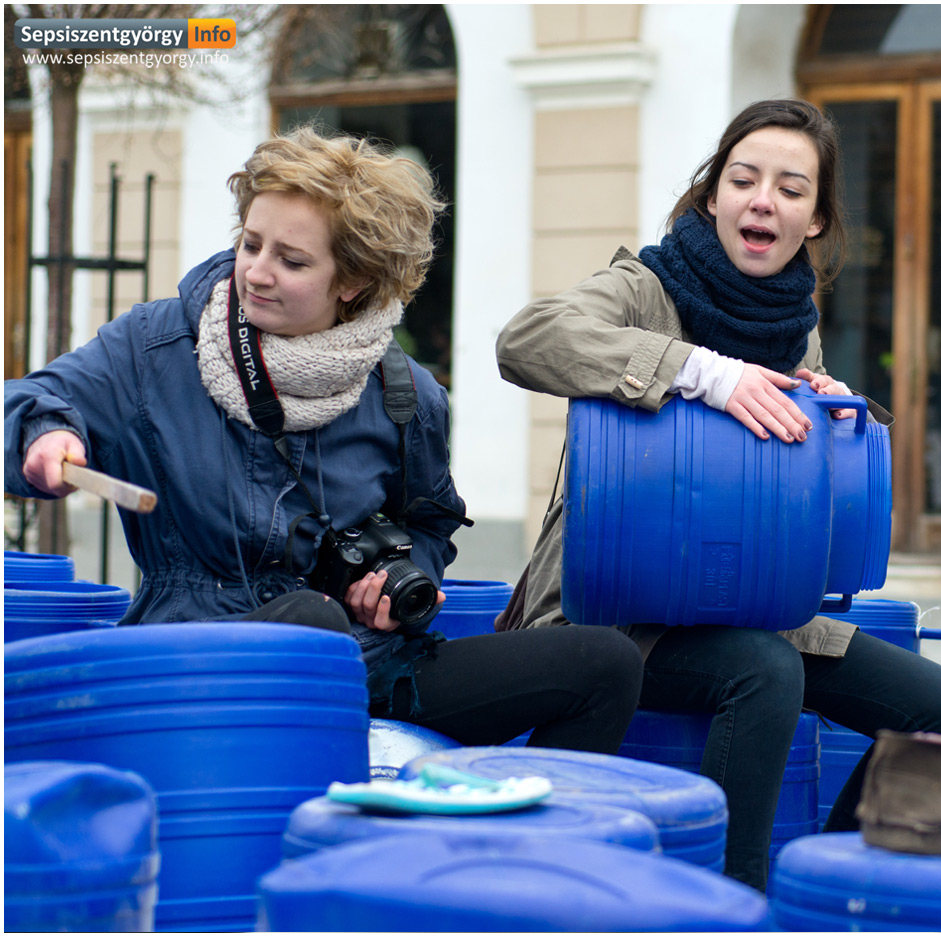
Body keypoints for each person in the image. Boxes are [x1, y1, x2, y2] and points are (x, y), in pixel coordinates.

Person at [5, 128, 642, 753]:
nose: (256, 272)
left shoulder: (407, 395)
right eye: (250, 243)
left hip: (369, 663)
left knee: (606, 662)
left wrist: (395, 582)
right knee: (310, 623)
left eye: (291, 260)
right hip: (196, 661)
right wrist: (44, 435)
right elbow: (28, 402)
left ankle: (532, 824)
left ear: (353, 281)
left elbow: (431, 522)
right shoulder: (154, 347)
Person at [496, 98, 941, 891]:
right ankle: (728, 900)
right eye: (744, 179)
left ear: (815, 220)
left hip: (749, 606)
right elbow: (527, 340)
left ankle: (825, 888)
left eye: (791, 189)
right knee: (764, 672)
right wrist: (702, 374)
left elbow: (806, 495)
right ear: (712, 194)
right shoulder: (642, 286)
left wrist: (833, 423)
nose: (764, 201)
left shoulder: (795, 328)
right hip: (615, 618)